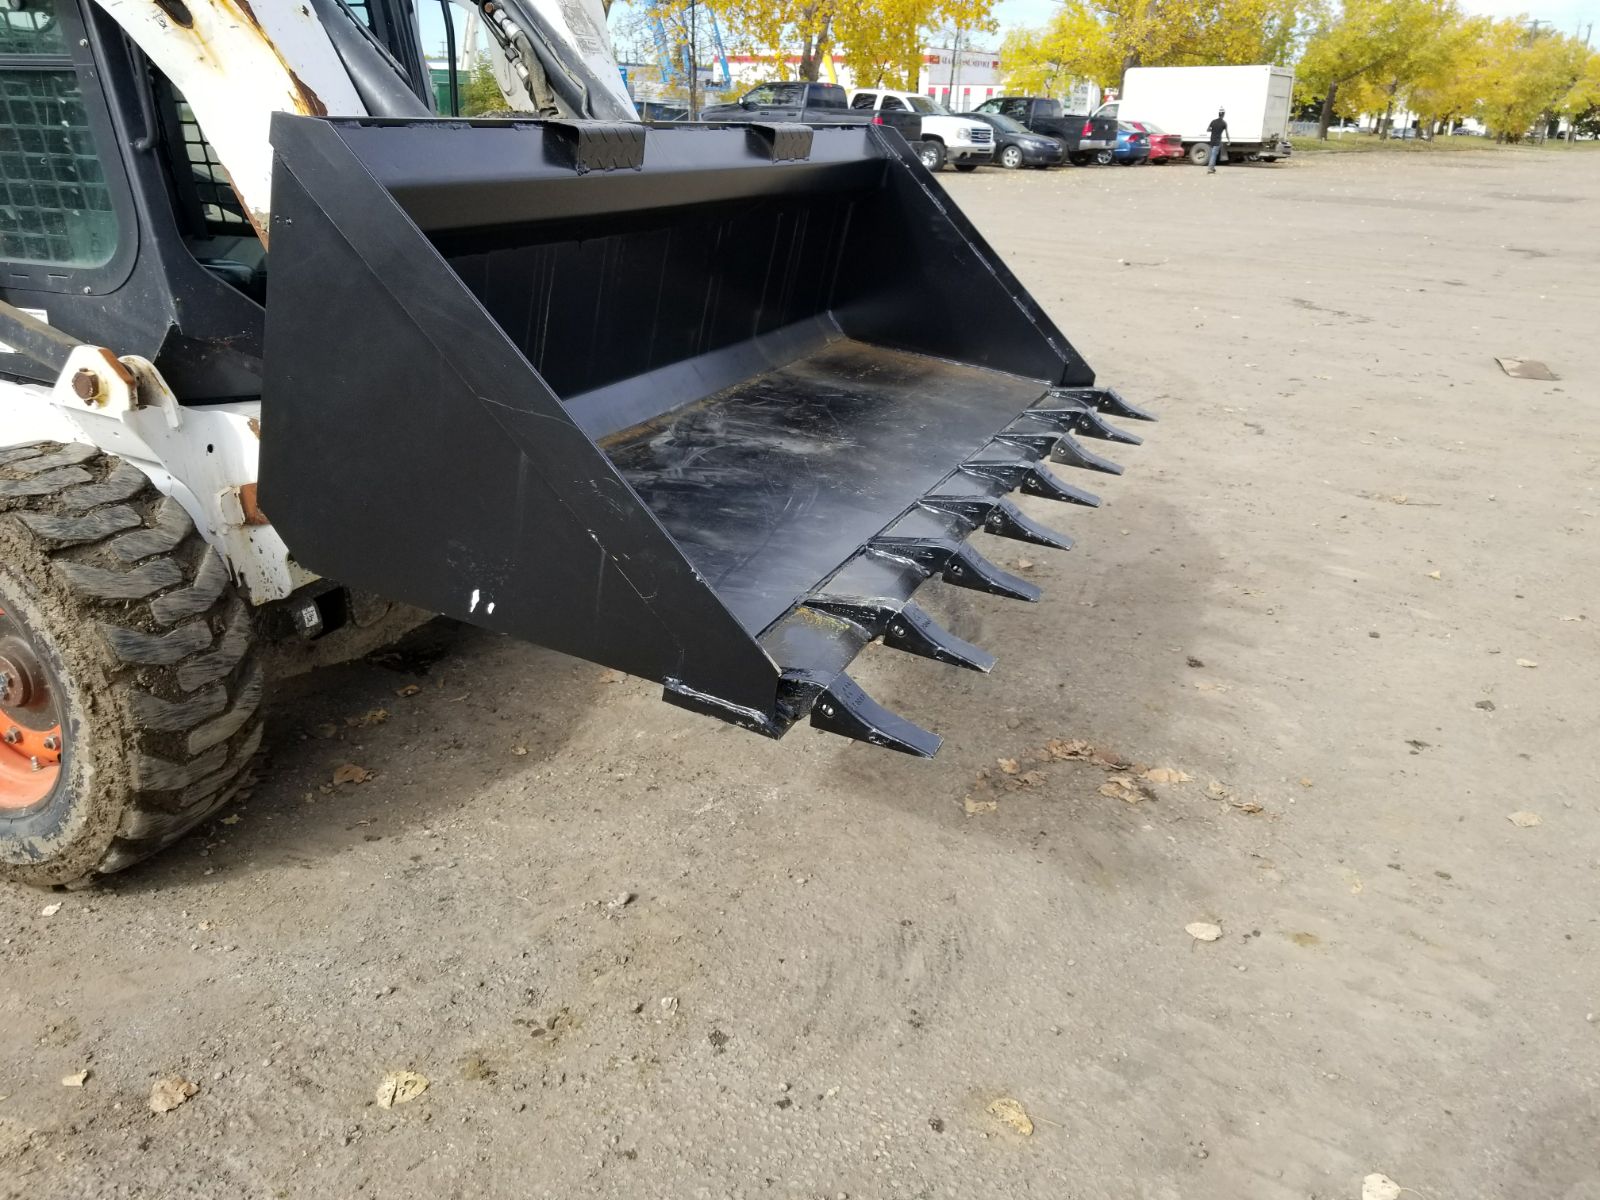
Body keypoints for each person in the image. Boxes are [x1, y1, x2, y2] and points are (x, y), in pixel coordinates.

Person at [1206, 108, 1228, 173]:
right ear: (1223, 115)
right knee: (1214, 154)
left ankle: (1212, 168)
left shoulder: (1213, 121)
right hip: (1217, 141)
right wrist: (1229, 140)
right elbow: (1227, 133)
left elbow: (1208, 130)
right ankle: (1210, 169)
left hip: (1212, 140)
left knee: (1213, 154)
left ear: (1218, 114)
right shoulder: (1224, 123)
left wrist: (1213, 130)